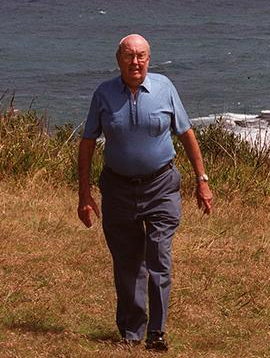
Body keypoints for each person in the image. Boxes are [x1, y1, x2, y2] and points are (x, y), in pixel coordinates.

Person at [77, 34, 213, 352]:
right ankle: (131, 332)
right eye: (129, 55)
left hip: (161, 187)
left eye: (141, 56)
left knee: (158, 258)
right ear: (118, 59)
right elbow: (86, 144)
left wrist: (202, 180)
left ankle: (157, 331)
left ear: (149, 60)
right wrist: (84, 195)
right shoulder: (104, 94)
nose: (135, 61)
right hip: (118, 190)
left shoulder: (165, 88)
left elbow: (186, 133)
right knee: (127, 263)